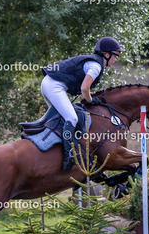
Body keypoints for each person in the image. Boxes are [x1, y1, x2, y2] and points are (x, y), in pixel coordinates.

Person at [41, 36, 122, 172]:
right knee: (72, 118)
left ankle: (54, 151)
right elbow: (85, 88)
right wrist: (90, 100)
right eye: (115, 56)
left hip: (48, 83)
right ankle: (68, 156)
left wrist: (85, 93)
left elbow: (82, 88)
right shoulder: (96, 66)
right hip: (54, 86)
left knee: (61, 119)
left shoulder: (93, 62)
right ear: (107, 55)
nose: (116, 59)